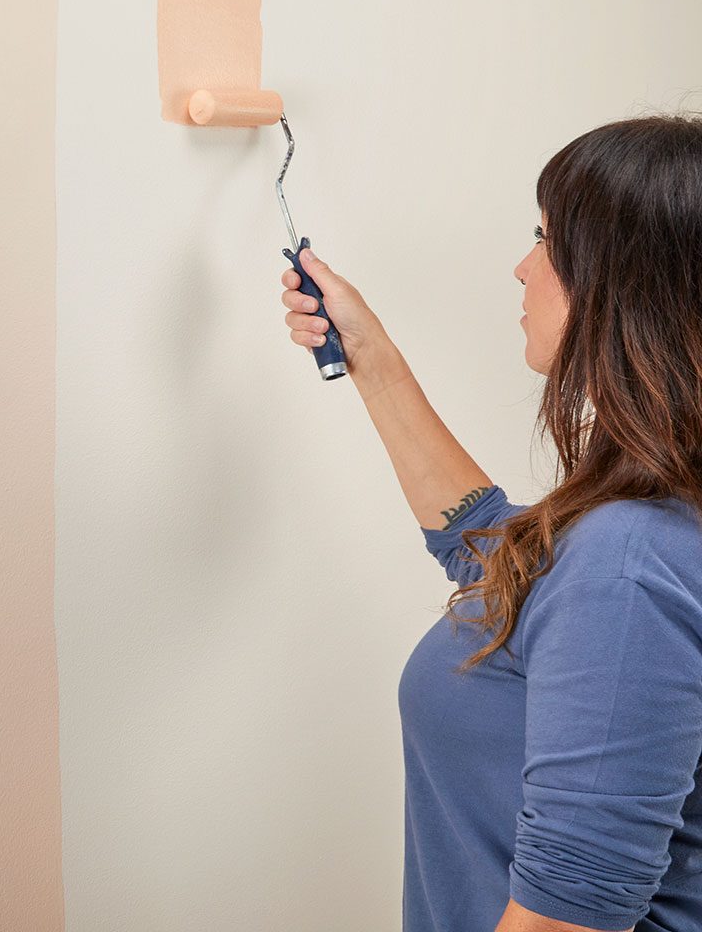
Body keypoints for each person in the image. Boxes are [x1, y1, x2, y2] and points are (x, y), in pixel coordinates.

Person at [281, 113, 702, 932]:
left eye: (546, 239)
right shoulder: (647, 526)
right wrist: (368, 354)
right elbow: (503, 558)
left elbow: (564, 920)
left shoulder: (627, 562)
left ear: (620, 283)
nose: (522, 266)